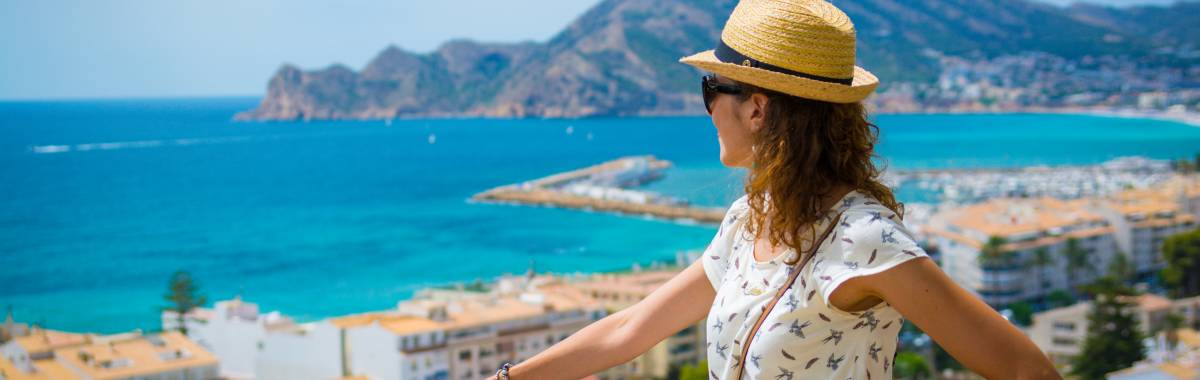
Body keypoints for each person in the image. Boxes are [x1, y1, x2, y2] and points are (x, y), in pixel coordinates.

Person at [488, 0, 1060, 379]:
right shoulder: (750, 218)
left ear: (757, 107)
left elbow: (1023, 369)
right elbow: (631, 329)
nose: (708, 107)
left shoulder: (865, 240)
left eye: (711, 89)